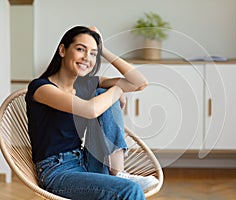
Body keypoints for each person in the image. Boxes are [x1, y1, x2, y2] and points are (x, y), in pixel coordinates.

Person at [25, 25, 158, 200]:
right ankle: (118, 176)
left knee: (102, 93)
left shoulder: (84, 84)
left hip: (85, 160)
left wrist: (104, 50)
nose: (87, 58)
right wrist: (117, 91)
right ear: (63, 50)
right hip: (57, 171)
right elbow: (90, 110)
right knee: (130, 191)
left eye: (93, 53)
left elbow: (139, 83)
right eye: (80, 49)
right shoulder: (41, 88)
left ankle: (118, 172)